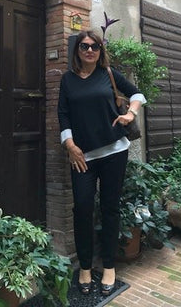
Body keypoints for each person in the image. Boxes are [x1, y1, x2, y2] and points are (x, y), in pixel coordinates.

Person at [57, 30, 146, 296]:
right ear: (77, 51)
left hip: (115, 151)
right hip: (82, 156)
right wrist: (70, 145)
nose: (89, 50)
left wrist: (130, 114)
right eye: (84, 46)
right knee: (82, 208)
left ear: (100, 50)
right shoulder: (68, 80)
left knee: (109, 208)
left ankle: (108, 266)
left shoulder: (108, 74)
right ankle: (85, 267)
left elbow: (137, 94)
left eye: (95, 46)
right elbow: (63, 114)